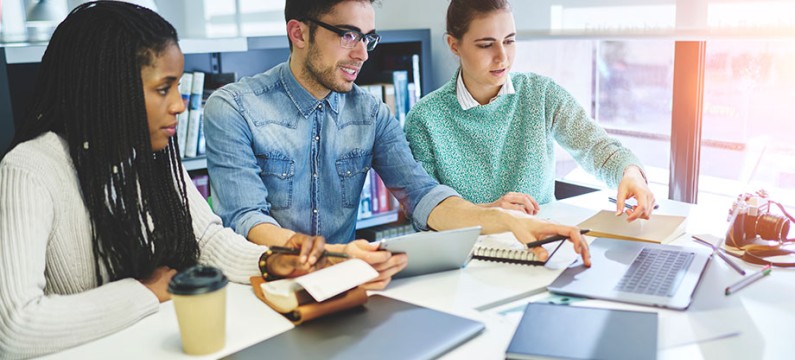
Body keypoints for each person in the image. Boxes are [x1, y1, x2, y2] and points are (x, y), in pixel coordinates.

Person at [0, 3, 325, 358]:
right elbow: (16, 325)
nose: (179, 106)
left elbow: (206, 240)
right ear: (111, 89)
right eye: (163, 88)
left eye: (178, 87)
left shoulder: (152, 155)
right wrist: (144, 291)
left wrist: (267, 261)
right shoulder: (30, 169)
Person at [203, 0, 591, 289]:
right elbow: (246, 219)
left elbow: (425, 197)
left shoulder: (372, 114)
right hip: (258, 288)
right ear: (299, 33)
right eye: (348, 35)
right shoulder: (233, 107)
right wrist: (332, 255)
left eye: (368, 38)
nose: (362, 53)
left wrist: (510, 221)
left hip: (342, 288)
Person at [404, 0, 656, 222]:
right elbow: (424, 209)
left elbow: (597, 148)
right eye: (485, 45)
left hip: (545, 245)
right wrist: (488, 212)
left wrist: (631, 174)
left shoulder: (541, 94)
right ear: (454, 45)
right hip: (469, 259)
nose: (502, 57)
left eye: (510, 41)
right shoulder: (426, 119)